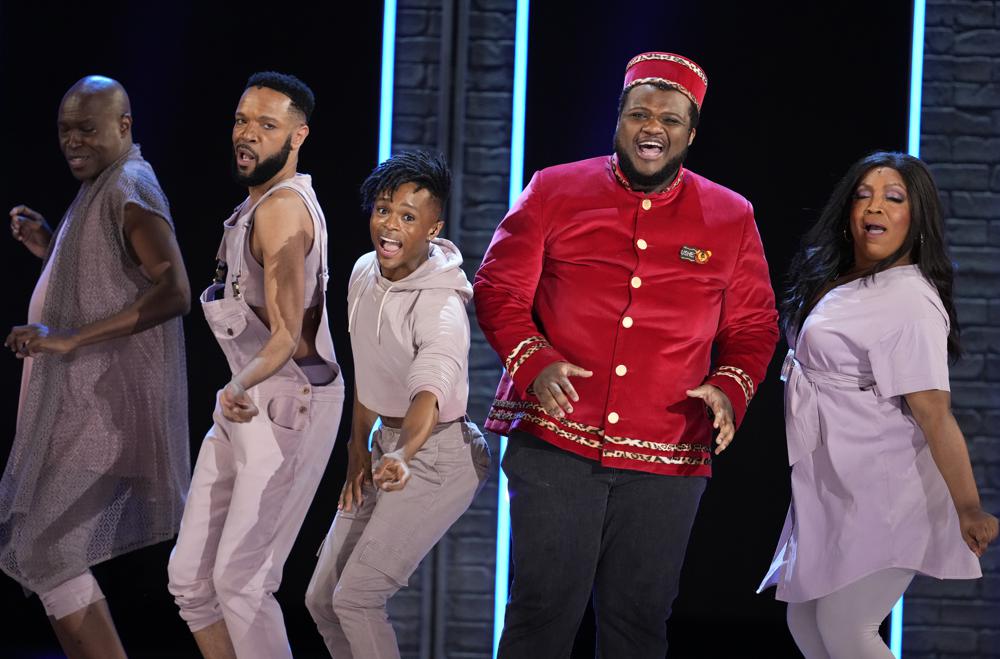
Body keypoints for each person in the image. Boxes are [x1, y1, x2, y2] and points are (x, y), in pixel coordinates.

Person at [474, 52, 779, 658]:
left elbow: (753, 325)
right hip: (556, 438)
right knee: (540, 611)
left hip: (669, 450)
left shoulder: (730, 215)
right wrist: (535, 362)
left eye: (669, 119)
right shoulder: (556, 188)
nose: (652, 128)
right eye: (639, 113)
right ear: (618, 121)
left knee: (638, 623)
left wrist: (730, 386)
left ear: (690, 135)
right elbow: (498, 289)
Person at [757, 151, 999, 658]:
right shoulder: (845, 280)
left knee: (847, 627)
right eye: (864, 195)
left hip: (884, 487)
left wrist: (969, 507)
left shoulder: (910, 300)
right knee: (806, 617)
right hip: (834, 478)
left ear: (917, 217)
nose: (876, 208)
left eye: (894, 198)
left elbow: (934, 412)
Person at [2, 75, 191, 659]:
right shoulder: (107, 185)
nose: (72, 140)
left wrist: (69, 337)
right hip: (83, 405)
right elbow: (111, 270)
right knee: (42, 550)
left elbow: (175, 290)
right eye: (64, 129)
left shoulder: (130, 185)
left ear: (124, 126)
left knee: (41, 549)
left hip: (104, 410)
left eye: (87, 127)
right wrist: (50, 245)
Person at [167, 72, 344, 659]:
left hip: (290, 401)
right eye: (243, 121)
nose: (248, 135)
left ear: (298, 137)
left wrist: (240, 382)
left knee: (242, 583)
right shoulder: (251, 209)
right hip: (243, 398)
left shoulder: (282, 213)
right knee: (190, 580)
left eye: (267, 126)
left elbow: (289, 333)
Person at [304, 151, 490, 659]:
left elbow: (427, 398)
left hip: (439, 456)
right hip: (383, 445)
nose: (390, 226)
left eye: (408, 217)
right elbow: (367, 373)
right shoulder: (365, 271)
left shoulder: (441, 307)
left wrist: (402, 455)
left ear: (434, 228)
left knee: (358, 600)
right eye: (383, 210)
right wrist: (357, 451)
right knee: (321, 599)